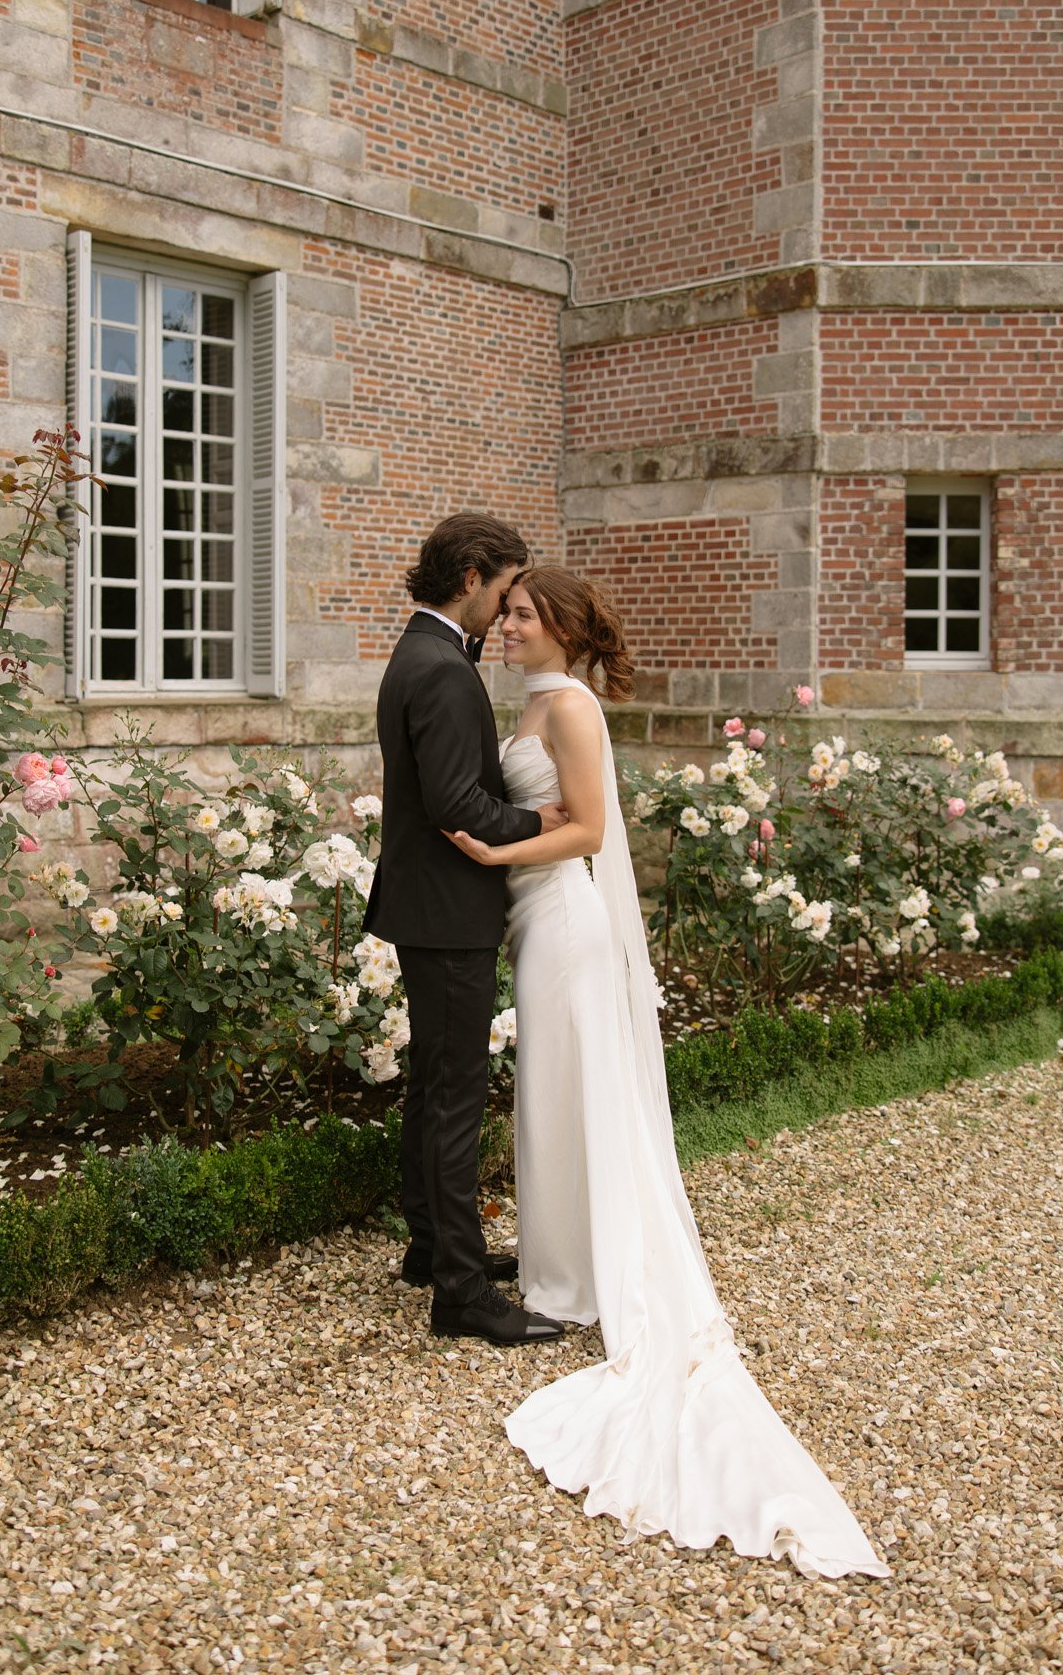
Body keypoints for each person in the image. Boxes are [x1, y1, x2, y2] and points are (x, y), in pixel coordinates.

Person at [445, 566, 890, 1574]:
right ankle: (565, 1261)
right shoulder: (546, 701)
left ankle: (572, 1278)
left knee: (566, 1098)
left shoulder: (565, 706)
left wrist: (485, 855)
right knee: (557, 1099)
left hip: (564, 916)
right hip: (543, 913)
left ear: (558, 626)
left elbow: (591, 833)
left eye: (520, 613)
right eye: (504, 611)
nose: (505, 625)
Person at [364, 514, 567, 1348]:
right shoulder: (441, 668)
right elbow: (455, 802)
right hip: (448, 913)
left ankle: (431, 1249)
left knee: (432, 1087)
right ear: (474, 574)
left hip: (429, 907)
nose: (507, 607)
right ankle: (459, 1291)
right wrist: (536, 818)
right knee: (452, 1099)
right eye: (505, 587)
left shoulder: (421, 651)